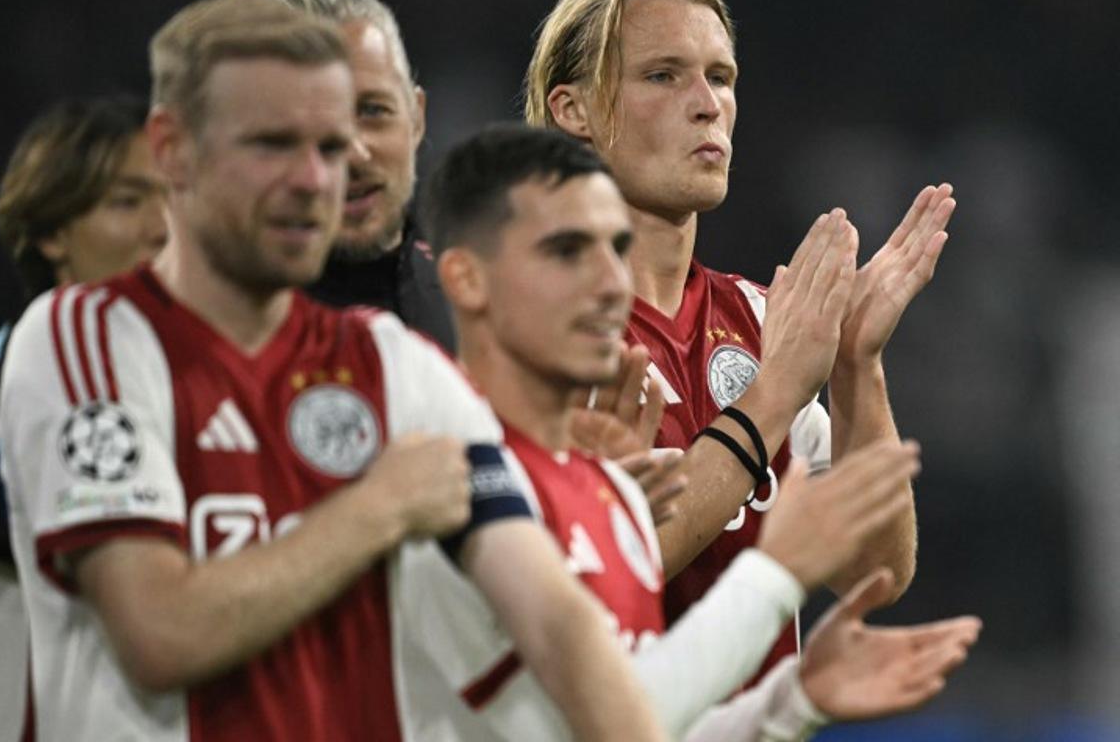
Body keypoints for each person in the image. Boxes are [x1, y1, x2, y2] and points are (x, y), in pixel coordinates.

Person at [0, 0, 667, 741]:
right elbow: (158, 632)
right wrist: (377, 507)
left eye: (331, 146)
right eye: (272, 144)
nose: (320, 178)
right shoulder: (85, 338)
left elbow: (555, 621)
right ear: (171, 150)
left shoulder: (390, 363)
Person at [415, 123, 979, 740]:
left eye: (612, 247)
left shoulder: (752, 328)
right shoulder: (448, 464)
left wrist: (793, 698)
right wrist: (774, 575)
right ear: (467, 279)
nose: (607, 281)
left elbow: (631, 709)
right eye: (567, 250)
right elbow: (605, 724)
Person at [526, 0, 954, 679]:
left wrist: (854, 365)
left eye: (720, 78)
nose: (706, 104)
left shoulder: (761, 321)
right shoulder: (530, 326)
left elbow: (875, 572)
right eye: (663, 75)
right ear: (574, 112)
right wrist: (776, 394)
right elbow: (609, 567)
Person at [0, 94, 167, 742]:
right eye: (128, 201)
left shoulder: (209, 415)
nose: (162, 229)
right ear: (51, 232)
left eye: (176, 198)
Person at [276, 0, 455, 352]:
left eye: (373, 110)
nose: (354, 153)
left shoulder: (487, 310)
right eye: (312, 124)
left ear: (416, 118)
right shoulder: (203, 328)